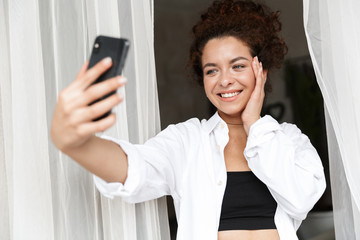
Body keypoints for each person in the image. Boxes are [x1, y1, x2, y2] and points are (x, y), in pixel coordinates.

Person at [51, 0, 326, 239]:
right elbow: (133, 169)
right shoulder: (188, 141)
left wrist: (254, 124)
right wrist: (75, 143)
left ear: (260, 69)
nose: (225, 80)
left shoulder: (290, 139)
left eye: (238, 66)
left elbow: (301, 199)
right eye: (211, 70)